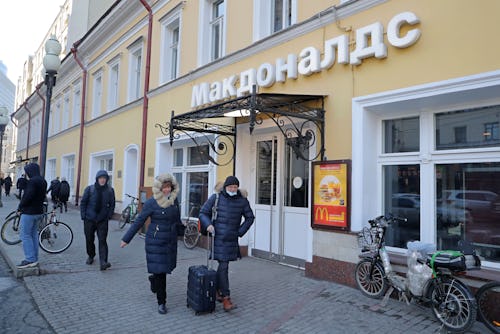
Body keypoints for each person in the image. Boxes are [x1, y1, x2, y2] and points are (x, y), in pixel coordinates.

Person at [121, 174, 182, 315]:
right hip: (155, 241)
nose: (167, 190)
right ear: (159, 188)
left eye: (169, 187)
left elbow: (177, 219)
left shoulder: (174, 200)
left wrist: (182, 232)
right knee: (161, 273)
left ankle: (153, 279)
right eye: (164, 187)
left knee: (163, 270)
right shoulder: (151, 202)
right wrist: (126, 239)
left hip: (169, 241)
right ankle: (162, 303)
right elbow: (139, 220)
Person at [199, 176, 255, 312]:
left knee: (223, 266)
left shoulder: (242, 201)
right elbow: (203, 213)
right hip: (218, 238)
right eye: (230, 187)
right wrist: (208, 225)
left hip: (231, 239)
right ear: (225, 187)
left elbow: (250, 217)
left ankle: (218, 290)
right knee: (223, 266)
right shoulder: (216, 198)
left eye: (235, 187)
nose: (233, 189)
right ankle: (226, 298)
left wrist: (240, 232)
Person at [80, 170, 115, 270]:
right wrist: (83, 216)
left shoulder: (109, 190)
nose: (102, 180)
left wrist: (109, 215)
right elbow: (83, 203)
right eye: (101, 178)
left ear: (107, 179)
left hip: (102, 220)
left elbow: (112, 204)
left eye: (104, 178)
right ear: (97, 179)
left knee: (102, 240)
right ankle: (91, 255)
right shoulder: (89, 189)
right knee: (89, 239)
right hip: (89, 219)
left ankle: (103, 261)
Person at [16, 163, 47, 268]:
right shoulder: (43, 181)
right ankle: (35, 258)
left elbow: (28, 196)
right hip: (39, 211)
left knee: (25, 235)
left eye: (27, 171)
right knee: (33, 234)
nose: (26, 174)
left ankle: (30, 259)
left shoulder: (32, 182)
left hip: (29, 212)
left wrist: (20, 207)